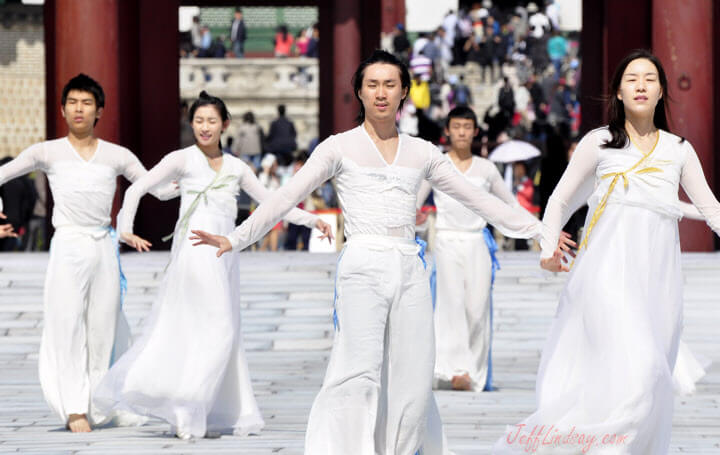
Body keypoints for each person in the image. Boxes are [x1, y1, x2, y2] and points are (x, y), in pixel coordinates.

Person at [190, 50, 566, 455]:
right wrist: (238, 237)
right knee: (358, 371)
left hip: (409, 265)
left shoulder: (423, 152)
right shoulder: (338, 147)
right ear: (360, 92)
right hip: (362, 264)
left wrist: (541, 231)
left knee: (413, 373)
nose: (381, 93)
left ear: (405, 91)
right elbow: (285, 197)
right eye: (372, 85)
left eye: (390, 84)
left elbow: (480, 200)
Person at [493, 49, 720, 454]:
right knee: (642, 366)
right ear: (617, 91)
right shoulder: (598, 143)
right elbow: (560, 201)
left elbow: (710, 209)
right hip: (605, 275)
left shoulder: (678, 150)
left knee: (647, 376)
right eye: (631, 78)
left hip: (658, 282)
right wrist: (548, 248)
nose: (640, 86)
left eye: (650, 79)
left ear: (662, 91)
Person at [93, 91, 332, 440]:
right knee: (219, 326)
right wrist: (125, 228)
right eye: (199, 121)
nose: (205, 128)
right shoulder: (182, 159)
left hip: (224, 257)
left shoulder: (238, 168)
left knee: (210, 327)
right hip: (192, 254)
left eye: (212, 121)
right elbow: (137, 189)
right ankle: (189, 400)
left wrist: (312, 220)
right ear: (191, 124)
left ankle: (197, 408)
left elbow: (273, 204)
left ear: (225, 125)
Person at [0, 74, 179, 432]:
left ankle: (99, 402)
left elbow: (155, 189)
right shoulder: (46, 152)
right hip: (68, 246)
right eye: (73, 103)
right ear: (63, 109)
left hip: (103, 247)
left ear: (99, 110)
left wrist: (195, 180)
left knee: (104, 329)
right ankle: (75, 408)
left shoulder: (117, 155)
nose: (79, 109)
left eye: (86, 103)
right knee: (67, 326)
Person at [416, 106, 524, 392]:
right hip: (447, 242)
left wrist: (537, 229)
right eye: (456, 126)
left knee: (477, 308)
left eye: (467, 127)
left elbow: (510, 204)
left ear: (476, 131)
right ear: (447, 130)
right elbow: (414, 202)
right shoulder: (437, 165)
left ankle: (474, 372)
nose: (462, 132)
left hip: (477, 241)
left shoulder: (486, 169)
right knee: (449, 308)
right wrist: (415, 218)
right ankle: (454, 371)